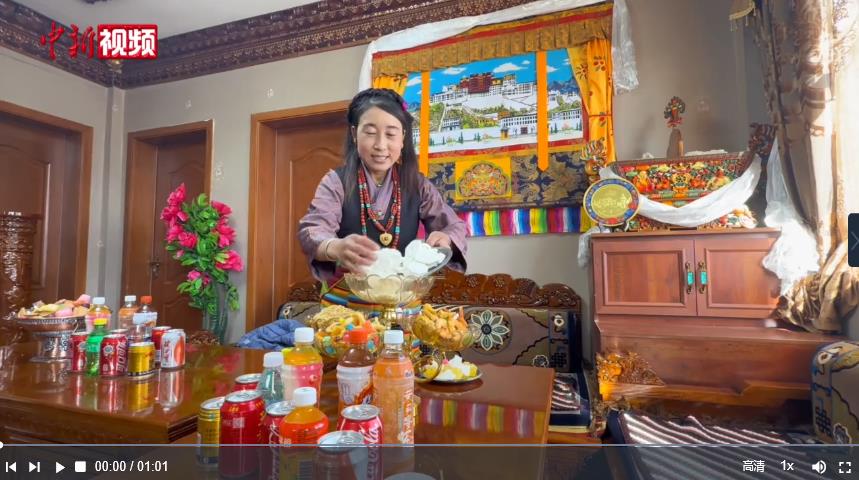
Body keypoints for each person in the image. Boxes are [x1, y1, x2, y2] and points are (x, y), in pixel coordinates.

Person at [298, 88, 467, 315]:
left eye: (390, 134)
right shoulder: (336, 182)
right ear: (354, 134)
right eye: (370, 132)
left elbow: (454, 226)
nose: (380, 145)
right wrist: (335, 247)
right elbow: (313, 229)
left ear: (403, 137)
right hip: (345, 308)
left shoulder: (418, 185)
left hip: (402, 306)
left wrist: (445, 238)